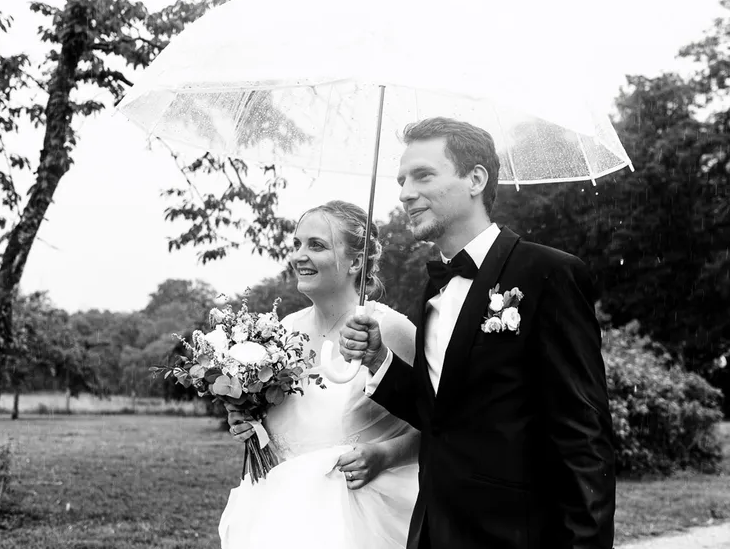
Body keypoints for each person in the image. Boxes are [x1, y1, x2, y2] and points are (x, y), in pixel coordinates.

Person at [340, 117, 616, 549]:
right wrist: (380, 360)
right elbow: (443, 417)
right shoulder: (434, 288)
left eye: (423, 175)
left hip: (518, 535)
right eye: (401, 179)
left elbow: (584, 437)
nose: (405, 192)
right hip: (434, 529)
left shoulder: (548, 273)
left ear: (475, 178)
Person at [220, 200, 419, 549]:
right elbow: (276, 417)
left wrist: (385, 455)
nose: (299, 255)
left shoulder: (391, 330)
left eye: (317, 245)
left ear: (356, 261)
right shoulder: (281, 330)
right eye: (297, 244)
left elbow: (440, 424)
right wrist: (246, 418)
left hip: (360, 515)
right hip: (278, 510)